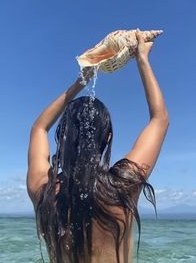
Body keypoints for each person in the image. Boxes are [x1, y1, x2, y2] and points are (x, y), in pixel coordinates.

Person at [26, 30, 169, 263]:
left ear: (61, 137)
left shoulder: (46, 193)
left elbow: (39, 128)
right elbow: (159, 119)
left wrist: (81, 81)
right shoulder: (122, 186)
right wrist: (142, 59)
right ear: (109, 138)